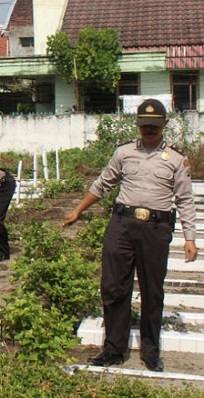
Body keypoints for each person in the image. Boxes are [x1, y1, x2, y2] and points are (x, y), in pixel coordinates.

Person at [62, 98, 198, 372]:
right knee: (113, 288)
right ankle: (113, 349)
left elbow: (184, 200)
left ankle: (150, 353)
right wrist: (78, 210)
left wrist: (190, 238)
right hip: (122, 226)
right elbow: (103, 184)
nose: (149, 130)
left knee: (152, 291)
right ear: (138, 124)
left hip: (156, 230)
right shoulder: (123, 153)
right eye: (145, 125)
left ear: (165, 125)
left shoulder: (176, 159)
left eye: (154, 126)